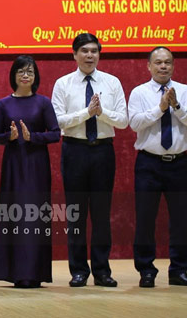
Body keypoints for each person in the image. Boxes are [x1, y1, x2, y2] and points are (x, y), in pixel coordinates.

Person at [51, 33, 127, 288]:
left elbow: (123, 120)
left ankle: (102, 271)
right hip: (74, 150)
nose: (90, 55)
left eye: (94, 51)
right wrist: (87, 113)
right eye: (84, 50)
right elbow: (58, 121)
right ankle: (78, 271)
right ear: (74, 54)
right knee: (76, 215)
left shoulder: (112, 82)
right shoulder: (63, 84)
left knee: (102, 214)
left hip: (103, 151)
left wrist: (101, 113)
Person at [127, 47, 187, 288]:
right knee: (145, 219)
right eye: (158, 63)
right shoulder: (139, 92)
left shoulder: (185, 91)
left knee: (180, 219)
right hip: (149, 163)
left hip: (178, 163)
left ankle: (179, 270)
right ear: (148, 66)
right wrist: (160, 108)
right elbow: (135, 123)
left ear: (173, 65)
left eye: (167, 63)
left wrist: (177, 106)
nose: (163, 67)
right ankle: (146, 270)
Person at [0, 55, 61, 288]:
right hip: (13, 164)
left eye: (30, 72)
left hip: (36, 164)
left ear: (35, 76)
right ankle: (14, 272)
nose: (25, 75)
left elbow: (55, 133)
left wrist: (34, 137)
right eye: (21, 71)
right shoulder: (4, 104)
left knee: (35, 217)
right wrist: (9, 137)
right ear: (13, 75)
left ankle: (34, 272)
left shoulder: (43, 103)